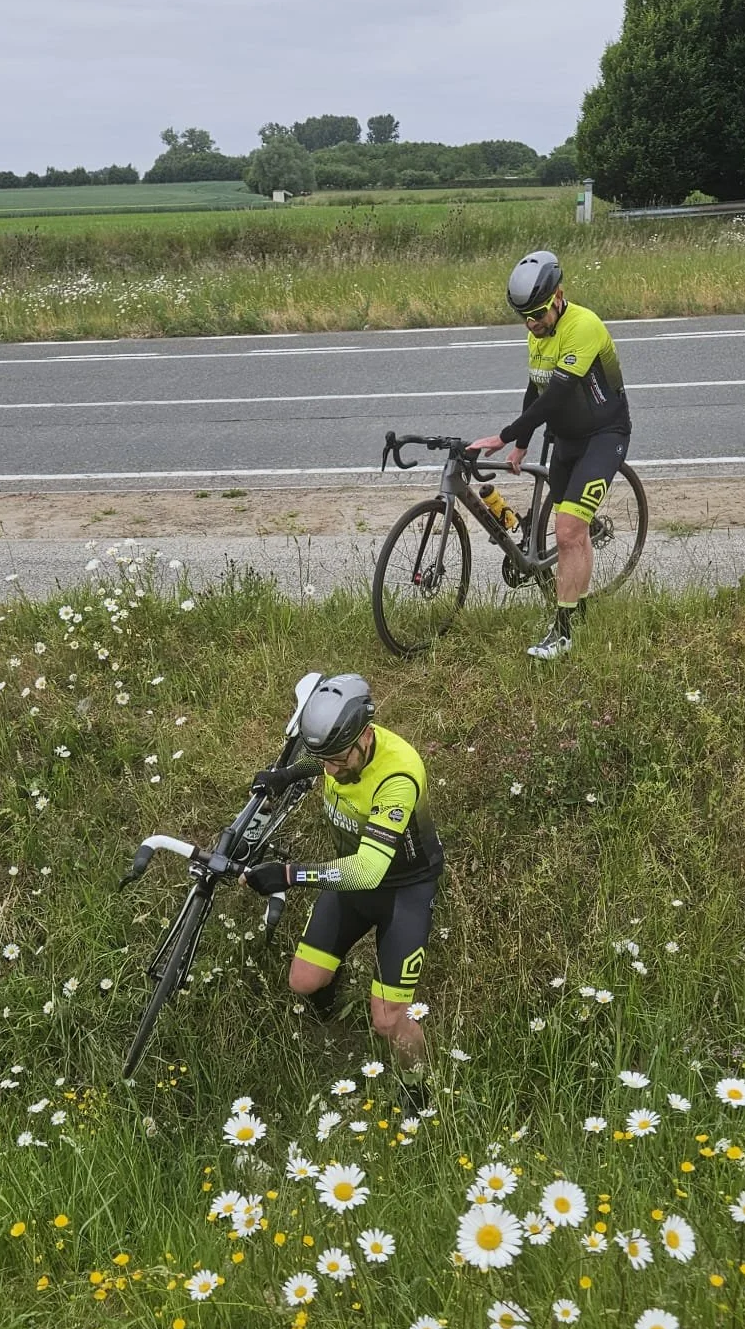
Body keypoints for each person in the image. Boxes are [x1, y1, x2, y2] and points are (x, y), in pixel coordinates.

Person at [240, 673, 442, 1071]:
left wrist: (289, 875)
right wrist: (287, 775)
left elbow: (368, 871)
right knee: (303, 982)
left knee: (387, 1021)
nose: (330, 772)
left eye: (338, 760)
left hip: (403, 891)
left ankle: (419, 1085)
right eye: (325, 760)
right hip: (350, 880)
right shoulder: (342, 746)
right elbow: (320, 758)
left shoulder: (398, 775)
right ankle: (330, 1008)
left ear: (365, 736)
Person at [470, 248, 631, 660]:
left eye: (538, 314)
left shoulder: (584, 325)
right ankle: (580, 606)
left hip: (603, 436)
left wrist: (504, 436)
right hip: (565, 439)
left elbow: (557, 394)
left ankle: (563, 634)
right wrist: (522, 442)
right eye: (524, 316)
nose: (532, 323)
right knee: (575, 533)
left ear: (558, 296)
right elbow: (536, 388)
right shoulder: (537, 333)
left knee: (567, 533)